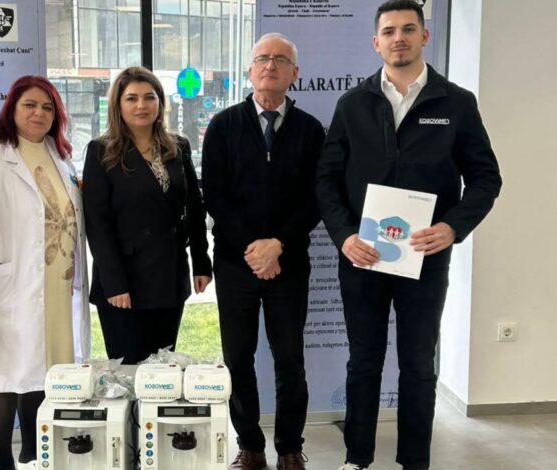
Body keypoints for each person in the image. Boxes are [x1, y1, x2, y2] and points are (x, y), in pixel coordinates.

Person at [315, 2, 502, 469]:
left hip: (425, 258)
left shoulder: (456, 102)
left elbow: (486, 178)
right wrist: (343, 235)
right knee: (364, 362)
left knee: (418, 365)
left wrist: (453, 226)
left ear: (424, 36)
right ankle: (357, 459)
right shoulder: (353, 103)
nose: (398, 38)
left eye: (408, 29)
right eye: (388, 31)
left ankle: (414, 461)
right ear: (376, 42)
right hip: (363, 256)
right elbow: (326, 178)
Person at [201, 33, 325, 470]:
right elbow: (214, 194)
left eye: (280, 60)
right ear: (249, 70)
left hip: (288, 265)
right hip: (236, 264)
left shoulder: (311, 130)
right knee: (238, 358)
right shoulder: (223, 125)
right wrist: (254, 250)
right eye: (262, 59)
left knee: (290, 358)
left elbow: (317, 197)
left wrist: (278, 245)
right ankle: (250, 446)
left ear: (295, 73)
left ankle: (290, 447)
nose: (270, 66)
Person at [0, 75, 90, 470]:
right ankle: (4, 463)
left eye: (47, 107)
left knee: (41, 377)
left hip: (58, 291)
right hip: (10, 292)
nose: (39, 113)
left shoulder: (61, 158)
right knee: (3, 381)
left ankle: (34, 456)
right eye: (29, 105)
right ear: (11, 110)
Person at [83, 66, 212, 365]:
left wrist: (201, 262)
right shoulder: (101, 150)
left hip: (168, 278)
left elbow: (194, 206)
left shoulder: (178, 146)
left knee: (162, 374)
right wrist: (115, 283)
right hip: (124, 283)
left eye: (149, 97)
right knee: (129, 373)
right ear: (118, 105)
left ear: (159, 103)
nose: (141, 105)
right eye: (131, 98)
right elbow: (98, 224)